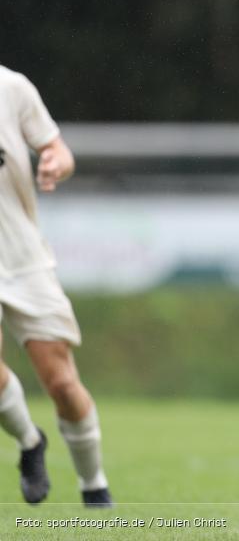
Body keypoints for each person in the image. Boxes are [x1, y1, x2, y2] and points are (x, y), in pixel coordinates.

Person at [0, 65, 113, 507]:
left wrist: (55, 164)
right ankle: (30, 442)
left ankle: (94, 485)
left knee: (62, 384)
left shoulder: (11, 87)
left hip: (23, 257)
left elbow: (58, 150)